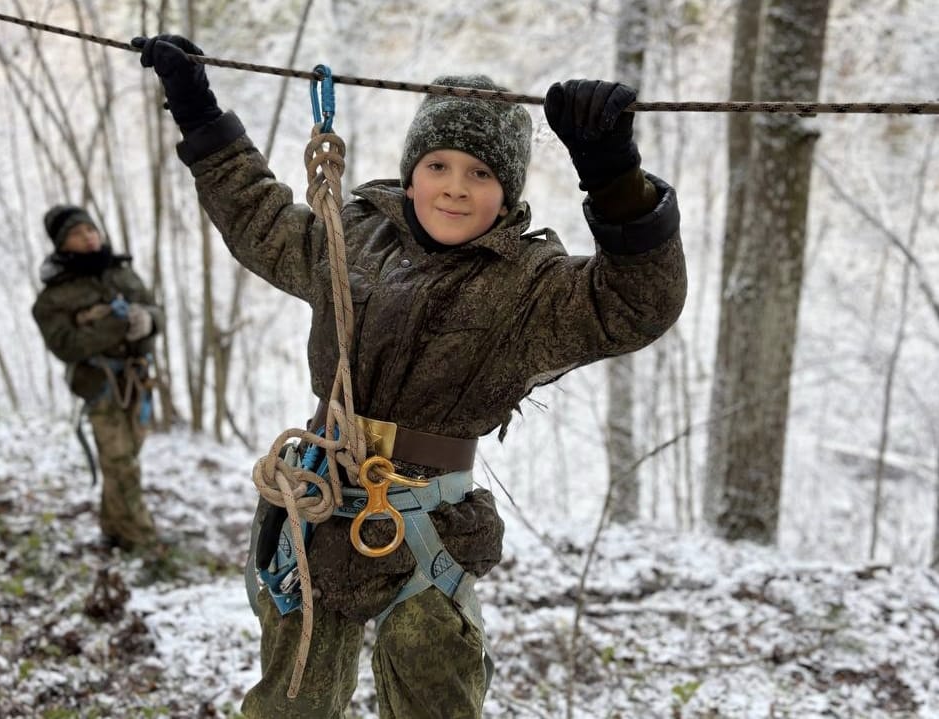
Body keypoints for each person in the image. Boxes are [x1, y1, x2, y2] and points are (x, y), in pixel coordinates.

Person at [132, 33, 686, 719]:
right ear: (410, 169)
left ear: (507, 189)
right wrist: (198, 110)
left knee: (436, 702)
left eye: (480, 174)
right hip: (319, 506)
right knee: (289, 702)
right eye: (438, 164)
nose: (454, 187)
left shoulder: (530, 284)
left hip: (431, 529)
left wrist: (613, 179)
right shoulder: (352, 237)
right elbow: (257, 217)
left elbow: (635, 303)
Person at [33, 205, 164, 553]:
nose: (89, 237)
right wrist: (115, 322)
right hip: (100, 387)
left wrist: (147, 321)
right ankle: (143, 542)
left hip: (137, 382)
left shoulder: (120, 272)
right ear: (63, 243)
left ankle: (112, 529)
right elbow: (66, 345)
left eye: (91, 229)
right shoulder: (52, 297)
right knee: (121, 464)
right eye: (78, 233)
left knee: (124, 460)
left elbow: (155, 310)